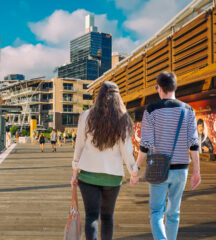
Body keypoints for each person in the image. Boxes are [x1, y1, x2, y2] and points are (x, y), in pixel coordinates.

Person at [132, 71, 201, 240]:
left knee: (156, 212)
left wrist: (136, 168)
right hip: (181, 170)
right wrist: (196, 171)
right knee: (174, 212)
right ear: (175, 87)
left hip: (157, 168)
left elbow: (146, 144)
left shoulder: (152, 110)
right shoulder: (188, 110)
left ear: (160, 88)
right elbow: (193, 142)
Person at [71, 81, 140, 240]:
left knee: (91, 217)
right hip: (112, 178)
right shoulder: (123, 119)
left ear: (99, 96)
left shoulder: (86, 116)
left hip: (87, 176)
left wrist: (75, 172)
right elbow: (126, 150)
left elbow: (79, 146)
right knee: (107, 217)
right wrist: (133, 172)